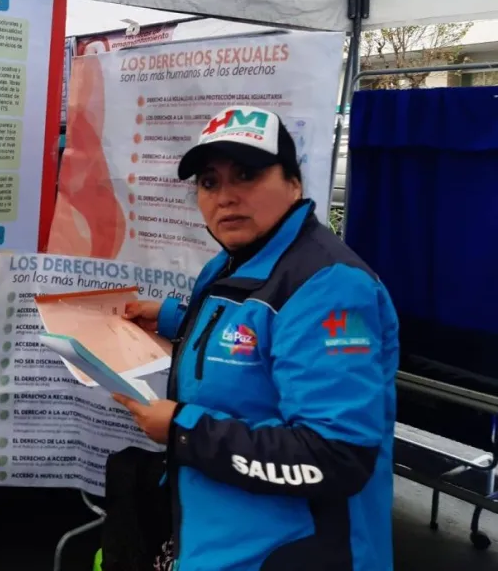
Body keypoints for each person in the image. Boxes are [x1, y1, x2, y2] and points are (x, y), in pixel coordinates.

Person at [115, 106, 399, 571]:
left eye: (246, 175)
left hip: (291, 553)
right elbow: (253, 339)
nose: (225, 197)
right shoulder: (233, 262)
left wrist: (184, 431)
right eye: (209, 182)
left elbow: (336, 455)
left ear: (294, 183)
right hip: (217, 537)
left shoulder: (332, 289)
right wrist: (172, 320)